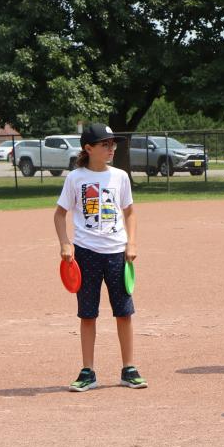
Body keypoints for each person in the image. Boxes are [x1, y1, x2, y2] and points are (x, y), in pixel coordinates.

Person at [54, 123, 146, 392]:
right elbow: (59, 214)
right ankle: (88, 371)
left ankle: (129, 369)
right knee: (87, 314)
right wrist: (65, 244)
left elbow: (130, 212)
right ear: (88, 148)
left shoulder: (120, 176)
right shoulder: (75, 178)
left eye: (112, 144)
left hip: (117, 252)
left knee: (124, 312)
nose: (110, 148)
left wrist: (132, 243)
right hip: (85, 253)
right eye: (105, 144)